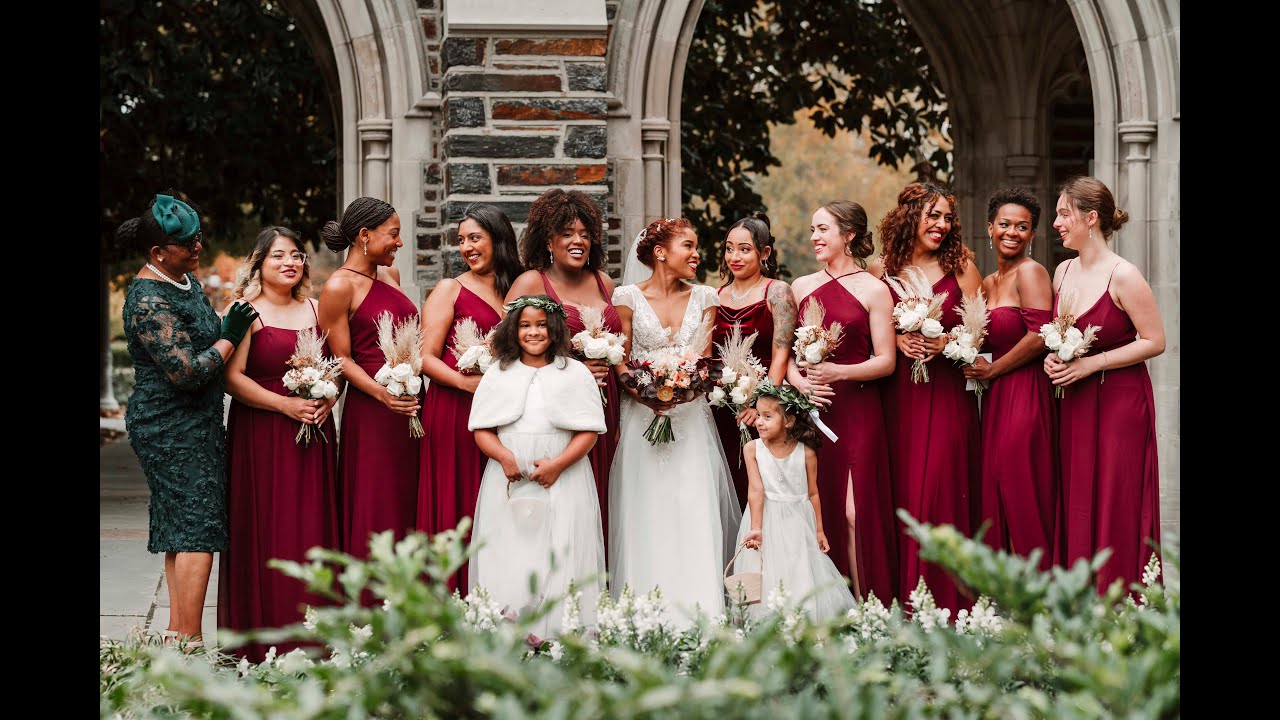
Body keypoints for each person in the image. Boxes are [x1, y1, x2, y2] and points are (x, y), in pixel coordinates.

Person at [119, 192, 259, 650]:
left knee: (180, 528)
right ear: (158, 251)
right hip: (168, 424)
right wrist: (230, 338)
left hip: (197, 420)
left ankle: (177, 635)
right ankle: (191, 641)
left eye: (199, 237)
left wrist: (226, 323)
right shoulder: (147, 300)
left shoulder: (184, 280)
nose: (198, 247)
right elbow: (186, 372)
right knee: (198, 528)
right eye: (187, 243)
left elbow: (200, 335)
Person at [609, 217, 741, 627]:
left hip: (690, 420)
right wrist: (648, 396)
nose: (696, 254)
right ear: (660, 253)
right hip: (641, 418)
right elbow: (620, 361)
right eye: (688, 245)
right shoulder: (627, 297)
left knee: (692, 506)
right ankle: (642, 614)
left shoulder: (705, 297)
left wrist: (681, 392)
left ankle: (700, 612)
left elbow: (706, 360)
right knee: (646, 508)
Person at [217, 226, 340, 662]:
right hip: (262, 434)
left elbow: (336, 367)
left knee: (311, 528)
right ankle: (263, 641)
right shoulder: (244, 311)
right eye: (279, 256)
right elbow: (231, 378)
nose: (290, 263)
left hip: (314, 435)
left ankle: (314, 640)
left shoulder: (317, 308)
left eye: (296, 256)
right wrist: (284, 405)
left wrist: (328, 399)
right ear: (259, 263)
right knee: (267, 528)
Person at [1044, 176, 1165, 594]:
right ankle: (1079, 595)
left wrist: (1093, 364)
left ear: (1091, 217)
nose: (1056, 223)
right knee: (1077, 492)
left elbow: (1155, 341)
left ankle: (1120, 597)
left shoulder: (1124, 275)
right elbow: (1060, 333)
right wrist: (1053, 356)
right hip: (1074, 400)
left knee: (1116, 494)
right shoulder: (1062, 271)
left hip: (1119, 402)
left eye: (1064, 214)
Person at [871, 182, 983, 614]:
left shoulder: (962, 266)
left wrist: (947, 341)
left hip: (946, 390)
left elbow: (981, 331)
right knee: (899, 487)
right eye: (932, 215)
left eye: (947, 217)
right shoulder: (882, 269)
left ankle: (948, 601)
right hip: (898, 394)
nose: (941, 224)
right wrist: (896, 339)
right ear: (909, 217)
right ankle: (901, 599)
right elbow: (869, 327)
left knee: (941, 484)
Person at [467, 295, 606, 636]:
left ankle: (559, 633)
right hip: (509, 478)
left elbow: (589, 431)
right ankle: (510, 632)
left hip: (563, 476)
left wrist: (558, 465)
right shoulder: (498, 373)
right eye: (525, 325)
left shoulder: (574, 372)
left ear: (554, 328)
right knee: (511, 548)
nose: (533, 332)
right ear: (513, 331)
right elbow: (482, 429)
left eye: (541, 325)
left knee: (560, 547)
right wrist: (504, 457)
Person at [788, 201, 899, 604]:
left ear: (848, 235)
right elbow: (785, 356)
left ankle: (867, 606)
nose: (814, 237)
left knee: (854, 513)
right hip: (814, 412)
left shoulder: (874, 290)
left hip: (858, 411)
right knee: (818, 509)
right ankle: (827, 609)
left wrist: (839, 372)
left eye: (823, 229)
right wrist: (801, 383)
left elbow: (886, 361)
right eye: (812, 230)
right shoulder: (800, 287)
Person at [505, 189, 620, 547]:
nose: (577, 241)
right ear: (548, 241)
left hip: (608, 403)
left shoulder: (604, 282)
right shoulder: (531, 282)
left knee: (605, 487)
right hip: (559, 407)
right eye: (567, 233)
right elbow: (507, 347)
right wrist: (574, 365)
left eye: (585, 234)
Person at [416, 204, 521, 591]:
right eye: (461, 240)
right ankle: (452, 593)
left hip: (505, 414)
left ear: (498, 238)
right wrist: (467, 385)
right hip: (455, 409)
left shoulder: (519, 287)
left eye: (475, 238)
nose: (466, 247)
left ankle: (498, 594)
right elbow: (425, 358)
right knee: (458, 497)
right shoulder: (450, 288)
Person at [316, 197, 421, 566]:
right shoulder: (338, 287)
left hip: (410, 403)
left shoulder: (390, 276)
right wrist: (382, 394)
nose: (399, 243)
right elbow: (341, 358)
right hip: (373, 409)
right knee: (378, 497)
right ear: (364, 235)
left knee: (409, 496)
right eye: (393, 234)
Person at [961, 189, 1058, 570]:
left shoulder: (1031, 272)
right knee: (998, 486)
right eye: (1005, 224)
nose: (1012, 233)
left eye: (1022, 227)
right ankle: (1007, 585)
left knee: (1022, 488)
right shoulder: (987, 282)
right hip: (995, 397)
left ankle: (1039, 583)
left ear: (1032, 233)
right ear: (990, 228)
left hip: (1026, 394)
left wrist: (994, 370)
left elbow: (1039, 335)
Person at [735, 386, 856, 621]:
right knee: (767, 567)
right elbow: (756, 490)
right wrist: (756, 528)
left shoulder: (806, 453)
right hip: (765, 518)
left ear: (788, 421)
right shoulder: (752, 449)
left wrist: (819, 530)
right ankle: (766, 620)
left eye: (767, 416)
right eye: (758, 415)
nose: (759, 422)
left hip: (798, 522)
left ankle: (804, 618)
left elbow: (813, 494)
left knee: (799, 564)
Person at [712, 212, 796, 506]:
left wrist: (760, 406)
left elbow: (781, 354)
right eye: (729, 248)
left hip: (763, 409)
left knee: (760, 488)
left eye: (744, 249)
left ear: (765, 253)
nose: (734, 257)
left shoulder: (778, 292)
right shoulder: (715, 296)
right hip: (719, 408)